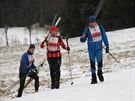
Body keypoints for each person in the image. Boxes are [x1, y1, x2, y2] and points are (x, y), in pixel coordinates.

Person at [80, 16, 109, 84]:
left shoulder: (100, 28)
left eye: (93, 22)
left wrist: (107, 46)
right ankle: (93, 77)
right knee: (92, 62)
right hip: (91, 49)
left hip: (99, 48)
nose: (92, 24)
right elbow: (83, 38)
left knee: (99, 61)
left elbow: (104, 37)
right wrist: (82, 38)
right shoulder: (87, 30)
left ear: (95, 22)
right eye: (90, 23)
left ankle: (99, 73)